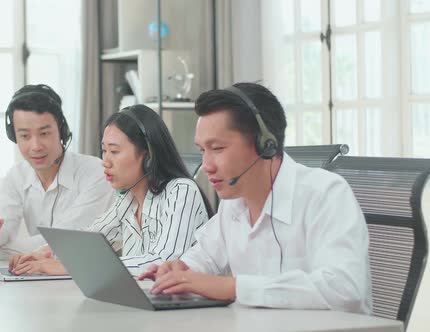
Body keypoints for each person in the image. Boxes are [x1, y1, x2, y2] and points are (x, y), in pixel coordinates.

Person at [139, 83, 372, 314]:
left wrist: (234, 288)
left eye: (218, 148)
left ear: (265, 145)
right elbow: (205, 256)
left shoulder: (325, 194)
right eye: (202, 150)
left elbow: (345, 290)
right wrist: (180, 270)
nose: (206, 166)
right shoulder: (234, 201)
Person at [9, 104, 214, 276]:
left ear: (148, 155)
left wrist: (72, 267)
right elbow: (88, 240)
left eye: (114, 151)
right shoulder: (127, 201)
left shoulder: (181, 192)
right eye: (104, 150)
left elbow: (164, 262)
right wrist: (42, 254)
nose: (105, 161)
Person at [0, 84, 115, 256]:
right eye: (24, 136)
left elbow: (63, 241)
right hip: (41, 277)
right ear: (13, 136)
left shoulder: (95, 173)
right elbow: (3, 226)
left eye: (44, 134)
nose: (36, 146)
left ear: (61, 130)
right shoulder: (17, 176)